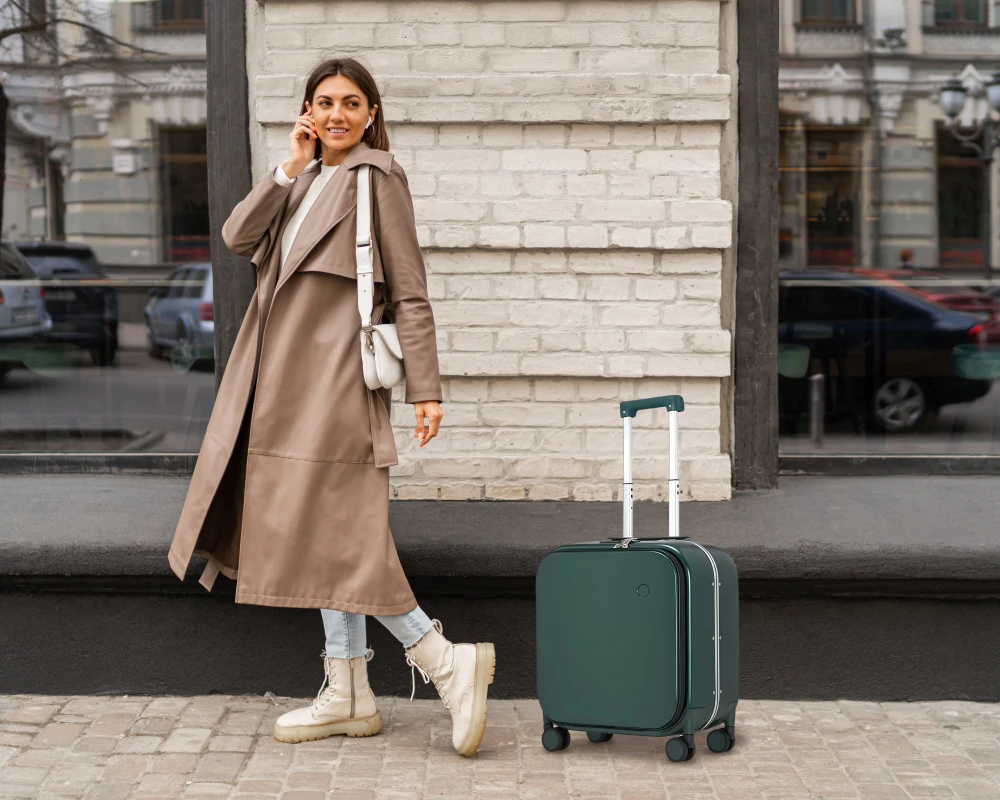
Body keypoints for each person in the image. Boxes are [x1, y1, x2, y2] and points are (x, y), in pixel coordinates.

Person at [166, 57, 495, 758]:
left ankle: (442, 658)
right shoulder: (306, 178)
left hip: (337, 385)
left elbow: (409, 291)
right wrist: (288, 165)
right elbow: (235, 238)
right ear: (307, 113)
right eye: (324, 102)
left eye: (352, 102)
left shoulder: (378, 179)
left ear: (372, 113)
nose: (338, 114)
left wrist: (426, 389)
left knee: (342, 533)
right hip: (279, 383)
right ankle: (348, 692)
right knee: (324, 532)